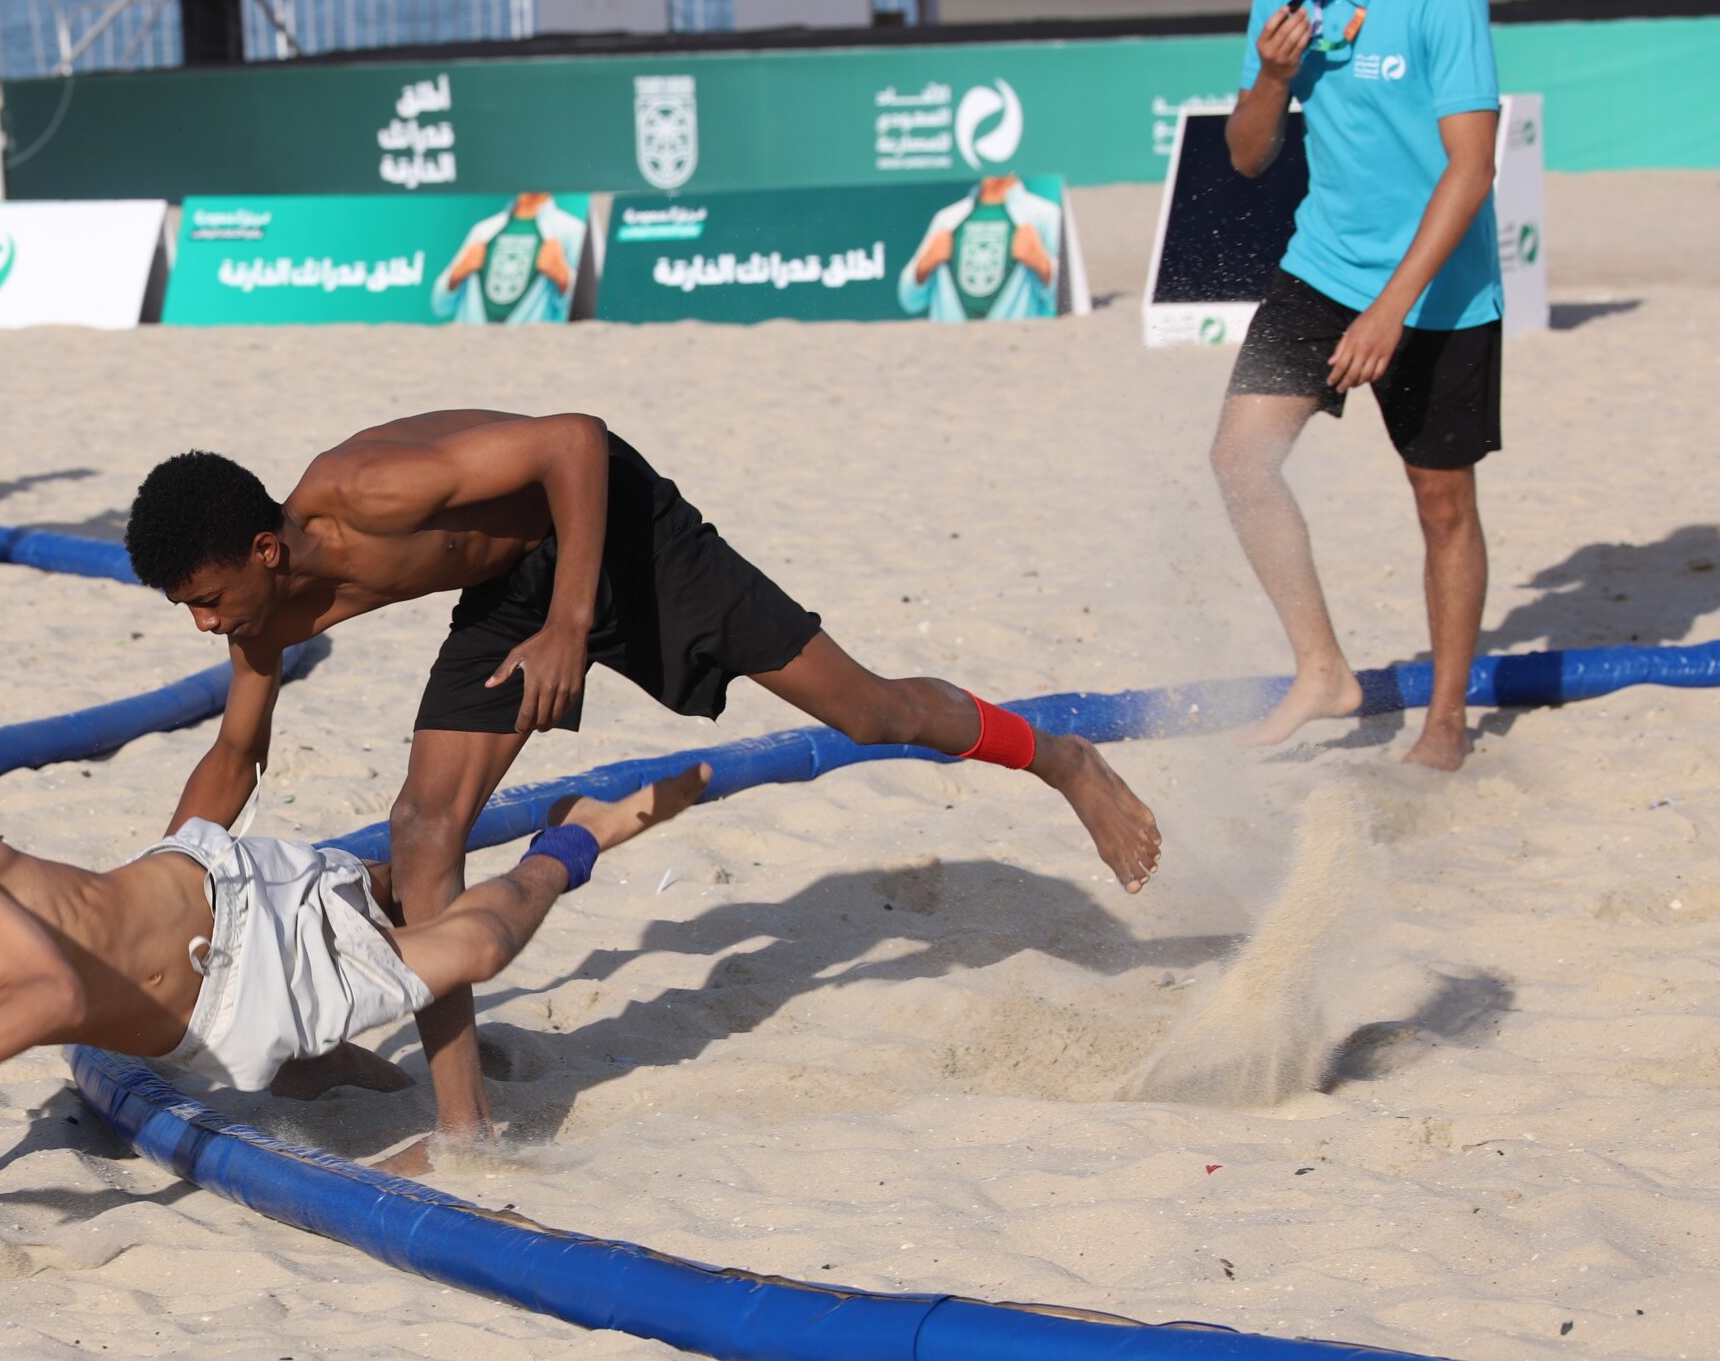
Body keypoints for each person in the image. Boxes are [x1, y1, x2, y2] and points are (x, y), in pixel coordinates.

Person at [125, 412, 1164, 1149]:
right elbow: (235, 756)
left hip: (615, 530)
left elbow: (575, 440)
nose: (206, 624)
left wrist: (569, 621)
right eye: (190, 610)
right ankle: (465, 1129)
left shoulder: (365, 490)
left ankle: (1060, 757)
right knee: (423, 829)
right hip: (509, 589)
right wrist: (158, 883)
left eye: (209, 599)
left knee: (869, 713)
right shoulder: (263, 622)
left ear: (265, 548)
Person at [0, 768, 709, 1214]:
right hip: (202, 1034)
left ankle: (572, 839)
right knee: (309, 1061)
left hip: (227, 915)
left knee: (474, 949)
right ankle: (385, 909)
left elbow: (51, 991)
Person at [1211, 0, 1503, 770]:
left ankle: (1445, 722)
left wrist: (1389, 311)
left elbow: (1473, 168)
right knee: (1239, 461)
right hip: (1324, 267)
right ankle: (1323, 672)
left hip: (1440, 287)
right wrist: (1273, 77)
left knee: (1441, 503)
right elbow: (1246, 157)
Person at [898, 174, 1062, 322]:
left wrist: (1043, 264)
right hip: (951, 343)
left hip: (1017, 342)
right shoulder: (947, 218)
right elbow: (909, 300)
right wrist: (925, 264)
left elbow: (1066, 301)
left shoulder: (1046, 215)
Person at [431, 193, 585, 325]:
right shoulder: (483, 230)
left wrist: (563, 277)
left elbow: (583, 314)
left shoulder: (571, 230)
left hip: (529, 347)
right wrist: (458, 272)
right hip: (473, 345)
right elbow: (439, 304)